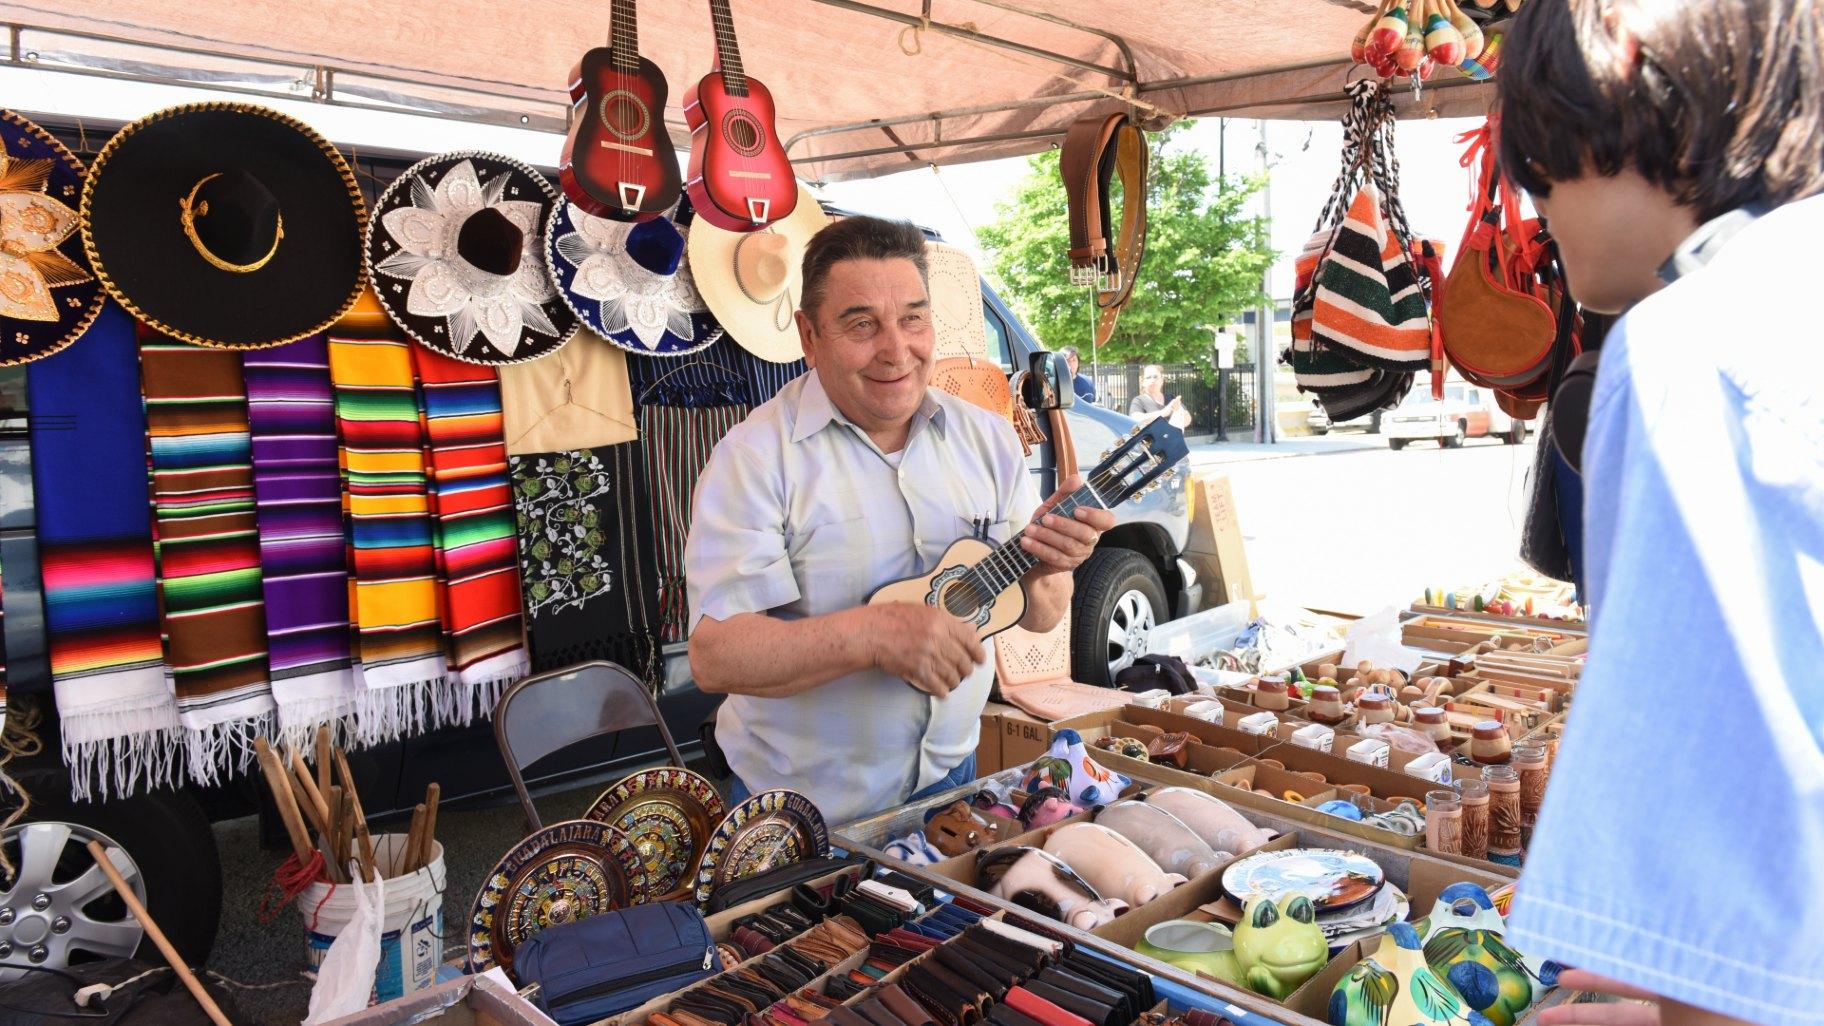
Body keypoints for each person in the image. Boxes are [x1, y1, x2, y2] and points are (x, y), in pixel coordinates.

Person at [1494, 4, 1824, 1026]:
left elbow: (1730, 862)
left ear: (1639, 89)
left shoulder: (1694, 345)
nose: (1535, 197)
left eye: (1544, 156)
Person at [684, 216, 1117, 826]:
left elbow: (1041, 614)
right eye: (862, 324)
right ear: (809, 336)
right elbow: (716, 657)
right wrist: (871, 635)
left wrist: (1051, 566)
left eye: (913, 318)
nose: (896, 349)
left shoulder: (988, 439)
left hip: (951, 781)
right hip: (798, 814)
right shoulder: (755, 458)